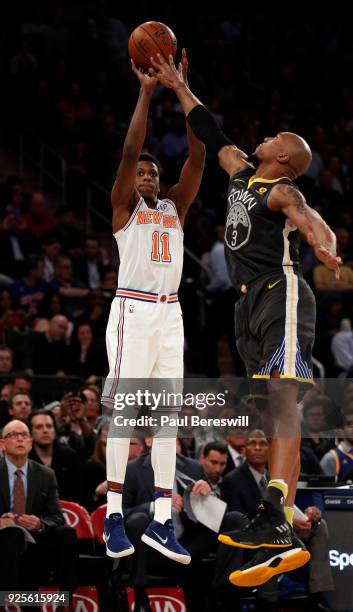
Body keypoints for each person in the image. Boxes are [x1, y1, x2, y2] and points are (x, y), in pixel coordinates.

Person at [151, 52, 341, 586]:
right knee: (267, 411)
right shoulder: (240, 169)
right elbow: (209, 131)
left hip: (281, 293)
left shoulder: (283, 189)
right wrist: (178, 85)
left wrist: (324, 246)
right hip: (246, 302)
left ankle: (278, 517)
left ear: (285, 156)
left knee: (283, 403)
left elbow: (312, 220)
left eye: (276, 137)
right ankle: (275, 518)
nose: (265, 137)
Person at [101, 50, 205, 565]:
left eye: (150, 173)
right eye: (139, 173)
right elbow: (127, 152)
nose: (144, 176)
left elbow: (199, 157)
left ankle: (163, 521)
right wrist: (146, 92)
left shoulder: (174, 207)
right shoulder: (125, 210)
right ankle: (114, 515)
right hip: (133, 312)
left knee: (169, 416)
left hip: (171, 315)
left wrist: (184, 91)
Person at [0, 419, 78, 594]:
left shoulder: (46, 474)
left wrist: (40, 524)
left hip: (35, 538)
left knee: (67, 533)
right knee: (12, 535)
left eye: (24, 435)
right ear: (2, 443)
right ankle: (5, 602)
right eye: (13, 435)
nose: (20, 439)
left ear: (30, 442)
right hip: (3, 539)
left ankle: (65, 601)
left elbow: (57, 516)